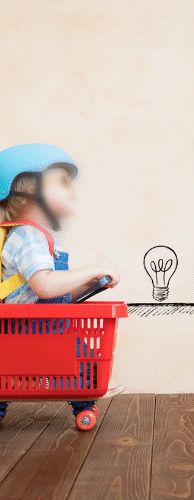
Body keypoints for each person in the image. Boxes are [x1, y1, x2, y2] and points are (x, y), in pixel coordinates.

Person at [0, 143, 119, 422]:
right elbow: (44, 286)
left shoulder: (39, 237)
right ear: (28, 189)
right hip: (29, 328)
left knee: (12, 369)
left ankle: (85, 402)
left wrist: (90, 284)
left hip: (39, 322)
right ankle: (86, 403)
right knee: (82, 360)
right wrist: (91, 269)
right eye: (63, 183)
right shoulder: (27, 235)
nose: (72, 191)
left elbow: (49, 289)